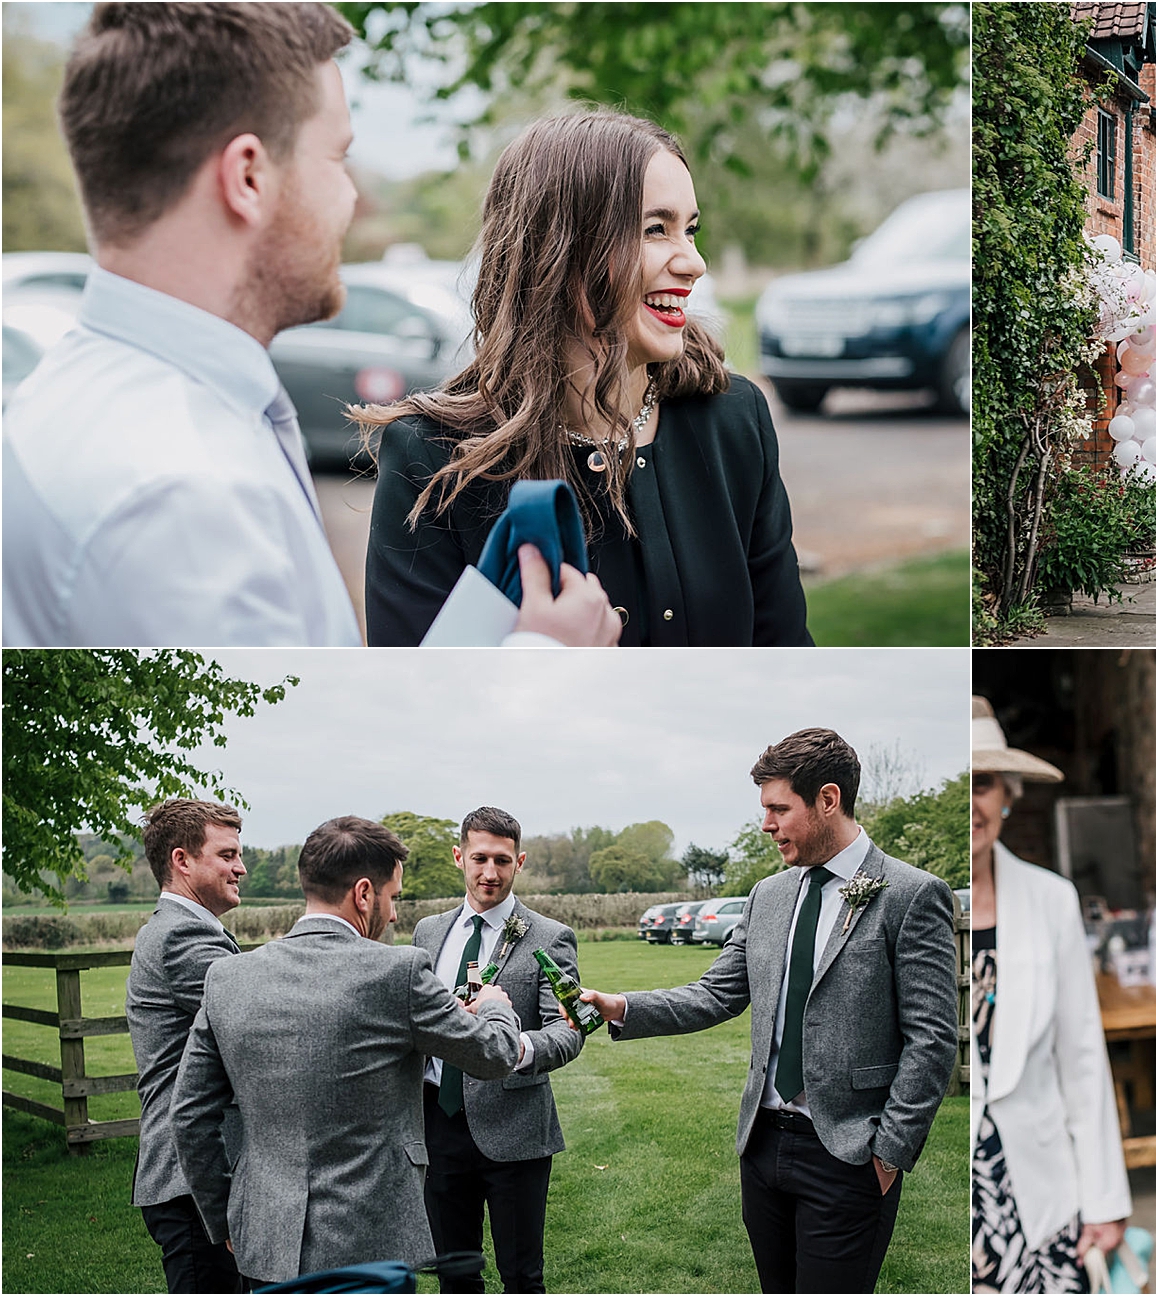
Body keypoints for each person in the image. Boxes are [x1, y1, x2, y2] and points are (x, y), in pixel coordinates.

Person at [1, 3, 615, 648]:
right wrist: (543, 660)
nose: (350, 197)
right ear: (248, 177)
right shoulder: (182, 499)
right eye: (337, 159)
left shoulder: (80, 391)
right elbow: (271, 749)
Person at [359, 110, 812, 647]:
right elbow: (415, 705)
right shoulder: (433, 457)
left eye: (690, 230)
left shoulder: (736, 419)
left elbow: (785, 657)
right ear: (562, 249)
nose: (694, 262)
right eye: (655, 230)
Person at [576, 729, 958, 1294]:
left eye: (779, 809)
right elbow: (715, 994)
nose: (766, 825)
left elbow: (932, 1039)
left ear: (828, 800)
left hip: (851, 1155)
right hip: (762, 1148)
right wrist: (621, 1006)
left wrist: (888, 1154)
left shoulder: (911, 894)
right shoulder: (767, 896)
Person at [173, 817, 525, 1287]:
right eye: (392, 897)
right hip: (368, 1243)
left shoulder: (228, 977)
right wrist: (497, 1008)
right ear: (363, 893)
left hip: (263, 1240)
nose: (395, 914)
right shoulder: (396, 972)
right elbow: (496, 1056)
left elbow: (190, 1116)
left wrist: (224, 1218)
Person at [969, 698, 1132, 1293]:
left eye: (981, 784)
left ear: (1008, 794)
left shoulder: (1051, 899)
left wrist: (1105, 1200)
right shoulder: (912, 904)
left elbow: (1082, 1059)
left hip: (1039, 1190)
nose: (970, 805)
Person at [413, 808, 586, 1294]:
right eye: (480, 858)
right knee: (455, 1274)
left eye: (503, 861)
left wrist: (515, 1050)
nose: (490, 873)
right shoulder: (428, 932)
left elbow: (568, 1030)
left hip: (515, 1126)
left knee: (522, 1275)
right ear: (458, 857)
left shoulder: (550, 937)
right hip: (435, 1122)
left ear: (520, 862)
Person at [126, 801, 248, 1295]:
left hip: (197, 1178)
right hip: (193, 1178)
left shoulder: (186, 929)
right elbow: (259, 1022)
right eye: (228, 854)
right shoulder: (183, 934)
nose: (240, 867)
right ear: (182, 861)